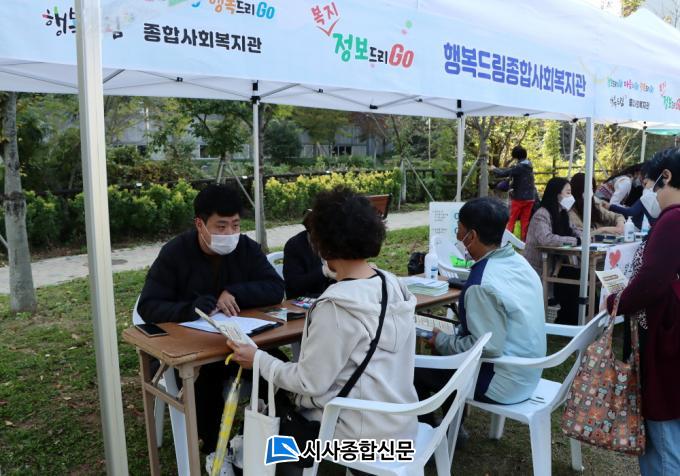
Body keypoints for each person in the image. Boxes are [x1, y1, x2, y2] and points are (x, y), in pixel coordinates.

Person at [229, 187, 419, 464]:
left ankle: (243, 461)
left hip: (358, 443)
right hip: (403, 433)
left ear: (320, 243)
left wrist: (257, 359)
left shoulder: (335, 306)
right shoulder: (391, 283)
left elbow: (308, 382)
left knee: (261, 442)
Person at [138, 184, 285, 454]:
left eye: (235, 225)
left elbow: (275, 288)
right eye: (221, 226)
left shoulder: (246, 248)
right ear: (200, 224)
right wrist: (189, 308)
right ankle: (215, 452)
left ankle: (271, 438)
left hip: (239, 344)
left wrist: (235, 292)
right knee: (205, 383)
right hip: (191, 352)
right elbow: (148, 306)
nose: (229, 234)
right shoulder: (175, 253)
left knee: (275, 366)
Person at [415, 197, 546, 409]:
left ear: (472, 235)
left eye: (459, 230)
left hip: (499, 383)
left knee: (416, 371)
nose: (458, 237)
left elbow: (486, 348)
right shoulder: (520, 262)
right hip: (528, 375)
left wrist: (441, 341)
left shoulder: (482, 283)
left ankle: (436, 428)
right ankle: (454, 423)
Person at [605, 147, 680, 475]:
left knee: (663, 436)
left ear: (667, 176)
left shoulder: (673, 219)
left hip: (666, 337)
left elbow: (652, 279)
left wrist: (616, 302)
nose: (649, 193)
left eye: (650, 185)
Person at [524, 178, 583, 324]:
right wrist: (575, 241)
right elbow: (546, 239)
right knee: (572, 277)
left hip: (556, 264)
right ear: (556, 194)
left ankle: (574, 319)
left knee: (579, 275)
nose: (571, 197)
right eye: (568, 193)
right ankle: (567, 320)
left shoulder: (563, 212)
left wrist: (584, 237)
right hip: (540, 267)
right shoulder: (542, 214)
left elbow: (575, 231)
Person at [282, 212, 334, 298]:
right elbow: (294, 285)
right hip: (303, 299)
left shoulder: (334, 241)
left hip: (332, 296)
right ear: (311, 231)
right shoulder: (294, 245)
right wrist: (323, 272)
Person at [490, 145, 536, 241]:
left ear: (515, 156)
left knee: (511, 220)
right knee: (525, 221)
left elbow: (503, 173)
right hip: (530, 198)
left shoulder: (519, 167)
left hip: (519, 198)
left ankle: (507, 241)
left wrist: (494, 169)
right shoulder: (529, 165)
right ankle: (524, 242)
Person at [604, 161, 660, 230]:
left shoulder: (648, 195)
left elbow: (631, 212)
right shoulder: (658, 196)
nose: (644, 187)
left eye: (645, 183)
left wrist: (610, 206)